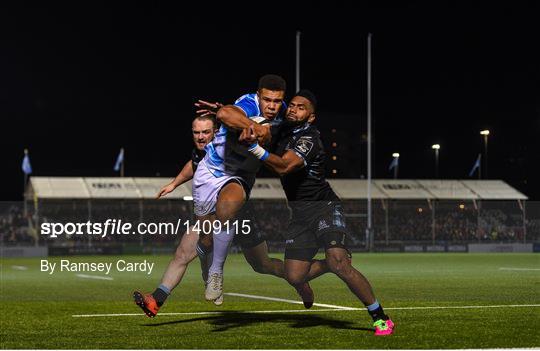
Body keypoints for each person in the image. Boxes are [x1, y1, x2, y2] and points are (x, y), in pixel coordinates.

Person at [241, 90, 395, 336]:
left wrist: (255, 148)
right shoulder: (281, 129)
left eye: (301, 107)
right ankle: (330, 264)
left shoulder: (309, 138)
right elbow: (257, 127)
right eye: (291, 105)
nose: (293, 109)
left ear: (310, 117)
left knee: (339, 262)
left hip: (324, 207)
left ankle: (379, 316)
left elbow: (286, 166)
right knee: (294, 276)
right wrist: (227, 114)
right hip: (299, 214)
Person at [133, 115, 220, 316]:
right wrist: (174, 184)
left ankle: (213, 279)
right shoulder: (200, 152)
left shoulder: (225, 151)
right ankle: (155, 301)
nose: (200, 137)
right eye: (196, 132)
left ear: (216, 132)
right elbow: (193, 164)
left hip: (233, 216)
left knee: (264, 264)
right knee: (182, 253)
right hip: (208, 217)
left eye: (205, 132)